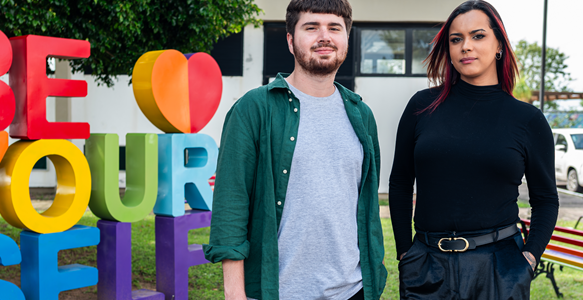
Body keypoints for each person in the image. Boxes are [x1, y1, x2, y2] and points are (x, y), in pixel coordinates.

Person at [203, 0, 387, 299]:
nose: (324, 36)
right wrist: (235, 294)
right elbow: (231, 204)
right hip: (280, 291)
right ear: (290, 40)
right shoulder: (255, 108)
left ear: (346, 39)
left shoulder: (361, 114)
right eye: (311, 27)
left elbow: (366, 205)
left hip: (353, 290)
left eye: (334, 28)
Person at [389, 1, 559, 299]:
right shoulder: (421, 107)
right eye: (456, 39)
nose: (465, 46)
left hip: (500, 267)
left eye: (478, 36)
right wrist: (406, 253)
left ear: (499, 45)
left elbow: (546, 200)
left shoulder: (527, 120)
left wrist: (528, 260)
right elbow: (401, 183)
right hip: (427, 265)